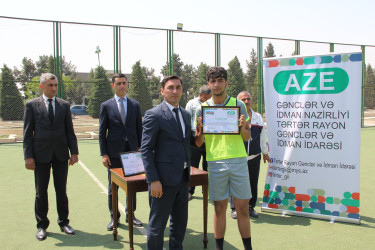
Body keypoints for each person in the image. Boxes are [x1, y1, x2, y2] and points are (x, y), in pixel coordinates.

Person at [195, 67, 252, 250]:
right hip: (215, 162)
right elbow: (198, 143)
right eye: (213, 81)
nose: (217, 84)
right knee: (219, 209)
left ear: (226, 83)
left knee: (242, 209)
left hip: (238, 161)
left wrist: (243, 127)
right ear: (208, 84)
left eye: (220, 80)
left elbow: (247, 136)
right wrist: (201, 129)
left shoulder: (238, 104)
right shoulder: (202, 108)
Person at [23, 73, 79, 241]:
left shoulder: (64, 105)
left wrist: (74, 152)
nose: (54, 88)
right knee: (41, 192)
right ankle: (41, 225)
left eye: (55, 85)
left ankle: (64, 222)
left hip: (61, 154)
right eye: (50, 85)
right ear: (42, 86)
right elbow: (27, 133)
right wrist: (28, 156)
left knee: (61, 190)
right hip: (40, 156)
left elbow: (70, 131)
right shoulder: (32, 105)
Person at [141, 75, 191, 250]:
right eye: (170, 87)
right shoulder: (153, 115)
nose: (175, 91)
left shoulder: (185, 114)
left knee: (179, 224)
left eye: (178, 87)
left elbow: (186, 143)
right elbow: (146, 150)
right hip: (162, 180)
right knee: (157, 226)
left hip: (183, 179)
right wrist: (153, 180)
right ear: (162, 91)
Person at [99, 73, 143, 231]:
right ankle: (114, 217)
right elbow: (102, 132)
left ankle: (131, 214)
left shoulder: (135, 105)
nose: (122, 86)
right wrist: (104, 154)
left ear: (127, 84)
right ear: (113, 86)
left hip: (132, 152)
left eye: (124, 83)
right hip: (113, 153)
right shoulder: (106, 106)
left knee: (133, 184)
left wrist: (139, 147)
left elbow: (139, 128)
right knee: (113, 187)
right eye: (118, 83)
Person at [230, 91, 271, 219]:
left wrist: (264, 152)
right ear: (238, 101)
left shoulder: (258, 117)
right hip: (237, 157)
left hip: (254, 157)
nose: (246, 101)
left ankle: (251, 207)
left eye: (248, 99)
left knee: (253, 182)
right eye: (243, 99)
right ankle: (235, 208)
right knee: (236, 183)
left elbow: (263, 136)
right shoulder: (233, 115)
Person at [185, 85, 212, 200]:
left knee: (208, 165)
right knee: (193, 165)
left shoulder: (213, 103)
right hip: (194, 136)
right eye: (205, 98)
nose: (207, 100)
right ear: (200, 95)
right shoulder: (191, 104)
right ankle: (190, 190)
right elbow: (187, 119)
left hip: (210, 137)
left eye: (209, 98)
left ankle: (206, 189)